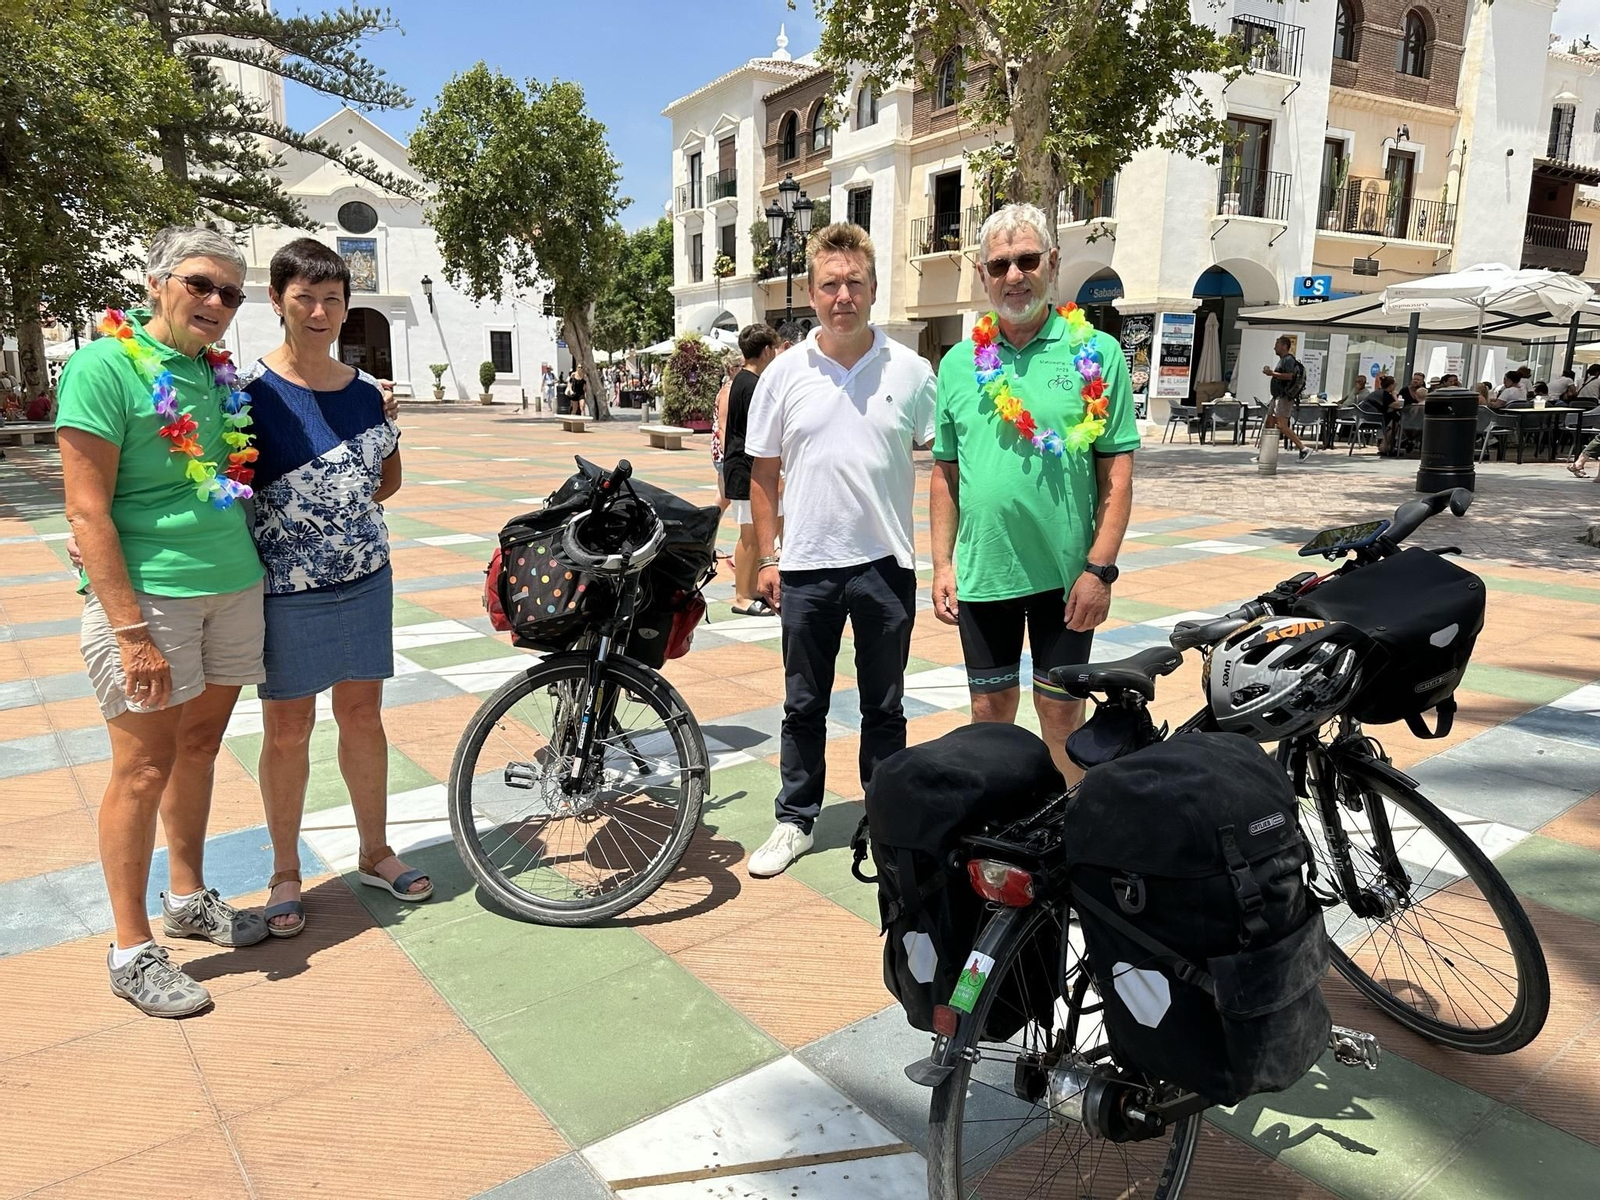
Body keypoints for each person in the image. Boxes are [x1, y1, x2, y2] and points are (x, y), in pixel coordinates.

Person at [56, 226, 270, 1017]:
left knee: (200, 746)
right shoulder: (103, 366)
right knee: (142, 768)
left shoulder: (216, 373)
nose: (215, 301)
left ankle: (186, 897)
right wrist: (129, 632)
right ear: (155, 282)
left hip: (232, 585)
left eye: (230, 293)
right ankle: (130, 947)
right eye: (199, 284)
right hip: (151, 598)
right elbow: (86, 510)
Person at [243, 239, 429, 937]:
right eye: (305, 299)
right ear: (277, 301)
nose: (319, 313)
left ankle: (375, 850)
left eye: (332, 300)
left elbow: (389, 480)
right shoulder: (248, 395)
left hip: (366, 580)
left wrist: (339, 518)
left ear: (347, 306)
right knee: (288, 728)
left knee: (362, 716)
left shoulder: (369, 394)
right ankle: (285, 871)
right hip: (286, 589)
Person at [743, 222, 936, 878]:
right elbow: (762, 474)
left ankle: (885, 820)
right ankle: (795, 819)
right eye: (830, 284)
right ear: (811, 293)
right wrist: (767, 557)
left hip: (886, 565)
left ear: (875, 289)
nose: (843, 295)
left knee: (885, 707)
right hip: (806, 568)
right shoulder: (783, 374)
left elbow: (948, 463)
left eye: (855, 282)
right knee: (804, 705)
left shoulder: (912, 372)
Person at [930, 203, 1138, 783]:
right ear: (982, 274)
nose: (1014, 276)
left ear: (1053, 261)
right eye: (999, 265)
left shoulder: (1095, 353)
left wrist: (1100, 571)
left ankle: (1068, 824)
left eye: (1026, 260)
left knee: (1062, 714)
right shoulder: (957, 364)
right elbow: (945, 473)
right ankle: (1002, 823)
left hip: (1066, 577)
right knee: (988, 711)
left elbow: (1117, 478)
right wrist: (942, 564)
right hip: (985, 573)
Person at [723, 324, 782, 616]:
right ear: (768, 350)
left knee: (756, 532)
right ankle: (742, 596)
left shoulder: (743, 381)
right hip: (746, 470)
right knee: (749, 534)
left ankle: (752, 590)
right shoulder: (752, 384)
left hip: (741, 468)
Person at [1261, 336, 1311, 460]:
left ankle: (1303, 448)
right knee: (1269, 423)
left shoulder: (1288, 359)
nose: (1274, 348)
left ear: (1284, 346)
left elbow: (1290, 376)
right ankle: (1265, 453)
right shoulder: (1283, 360)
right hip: (1277, 397)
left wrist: (1272, 373)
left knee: (1282, 425)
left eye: (1277, 345)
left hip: (1284, 397)